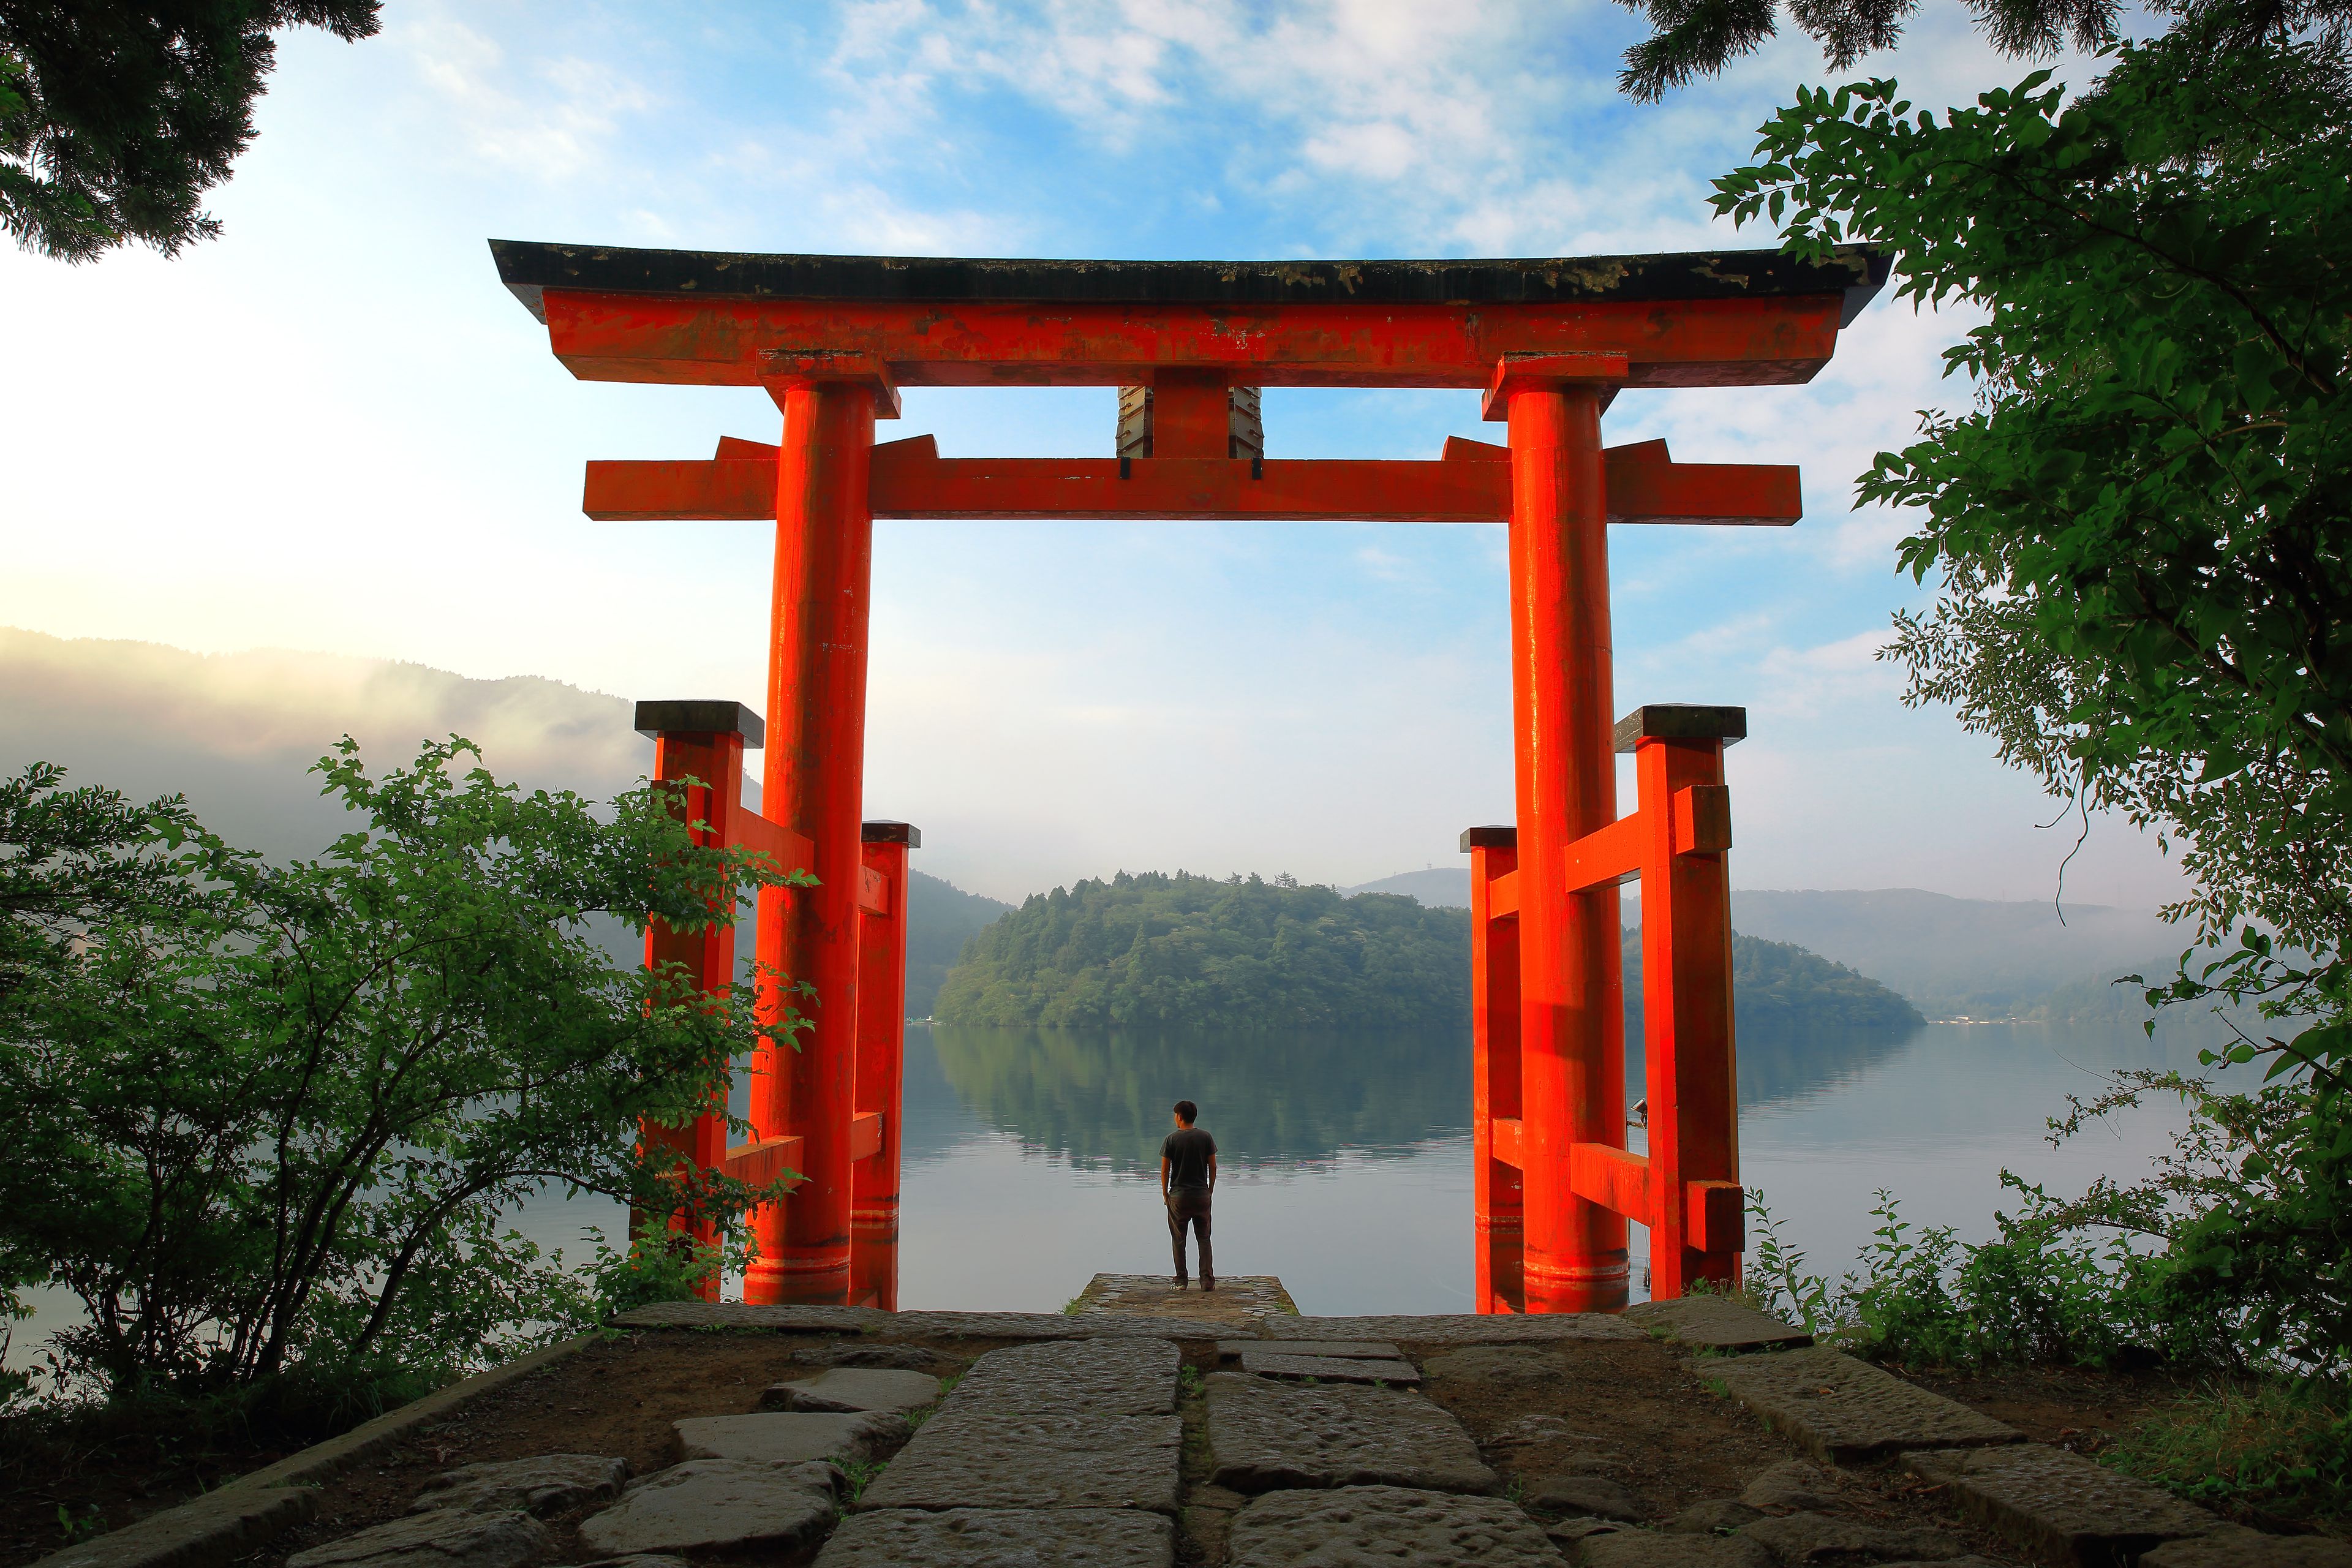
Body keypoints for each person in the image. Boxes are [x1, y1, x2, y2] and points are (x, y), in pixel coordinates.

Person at [1159, 1099, 1217, 1291]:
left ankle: (1181, 1281)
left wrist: (1165, 1194)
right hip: (1201, 1196)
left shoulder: (1171, 1140)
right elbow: (1213, 1167)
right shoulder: (1206, 1137)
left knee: (1178, 1239)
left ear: (1179, 1117)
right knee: (1204, 1239)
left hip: (1179, 1197)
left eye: (1175, 1115)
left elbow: (1165, 1171)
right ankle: (1207, 1281)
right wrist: (1209, 1190)